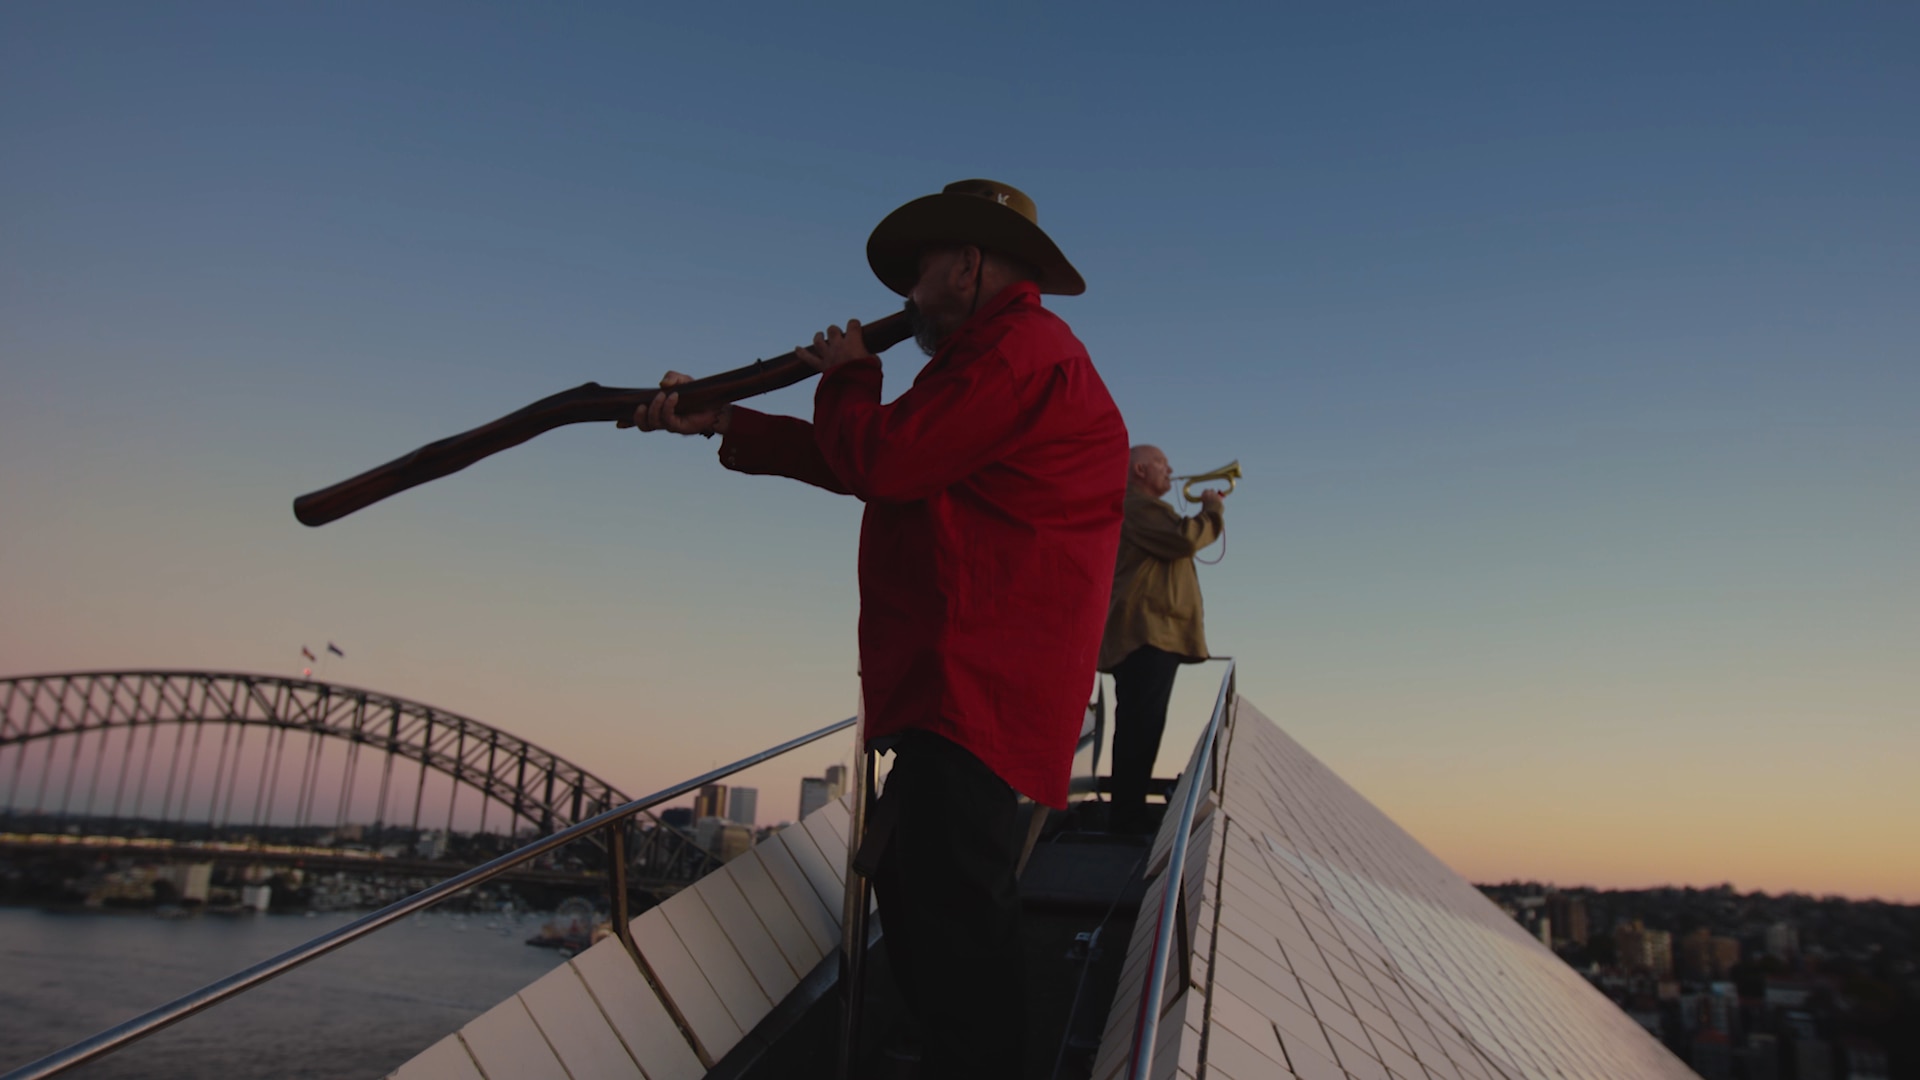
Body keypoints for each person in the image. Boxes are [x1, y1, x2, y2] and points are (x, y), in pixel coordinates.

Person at [629, 179, 1128, 1077]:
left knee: (959, 948)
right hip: (964, 689)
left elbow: (884, 457)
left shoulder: (1017, 353)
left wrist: (850, 372)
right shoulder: (1002, 355)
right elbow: (877, 454)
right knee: (933, 917)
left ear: (967, 266)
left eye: (922, 271)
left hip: (976, 688)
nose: (906, 296)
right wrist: (726, 422)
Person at [1097, 445, 1226, 835]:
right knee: (1140, 726)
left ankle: (1129, 813)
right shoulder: (1136, 505)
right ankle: (1126, 819)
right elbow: (1185, 539)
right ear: (1140, 470)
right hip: (1147, 632)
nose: (1171, 471)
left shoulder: (1141, 507)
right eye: (1162, 464)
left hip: (1152, 632)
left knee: (1144, 726)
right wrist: (1212, 510)